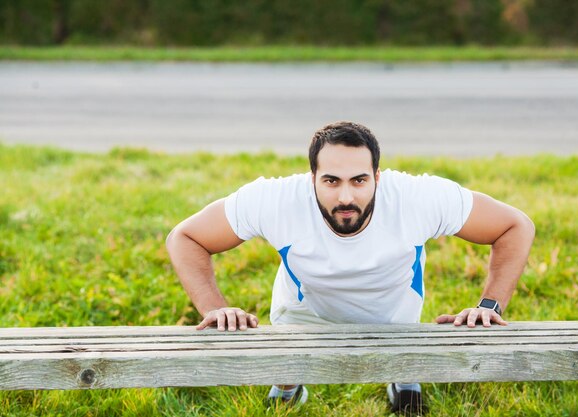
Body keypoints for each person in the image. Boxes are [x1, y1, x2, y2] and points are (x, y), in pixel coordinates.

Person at [166, 121, 535, 415]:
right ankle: (289, 383)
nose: (346, 197)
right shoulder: (275, 198)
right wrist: (214, 307)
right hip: (303, 317)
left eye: (359, 180)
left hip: (396, 322)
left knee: (406, 374)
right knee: (284, 381)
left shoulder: (418, 197)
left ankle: (404, 380)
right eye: (331, 181)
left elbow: (514, 225)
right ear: (311, 178)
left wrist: (489, 306)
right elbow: (186, 237)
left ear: (378, 175)